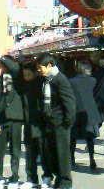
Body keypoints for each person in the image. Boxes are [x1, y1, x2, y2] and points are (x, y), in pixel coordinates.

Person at [37, 54, 76, 189]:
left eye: (40, 68)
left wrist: (67, 123)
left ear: (49, 65)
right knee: (53, 153)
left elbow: (69, 103)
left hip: (61, 124)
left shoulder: (60, 80)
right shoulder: (46, 80)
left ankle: (65, 182)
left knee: (62, 154)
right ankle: (59, 180)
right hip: (50, 123)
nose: (39, 70)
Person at [0, 56, 25, 185]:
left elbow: (15, 67)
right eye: (2, 65)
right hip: (2, 120)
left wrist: (2, 58)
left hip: (15, 119)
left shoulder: (16, 76)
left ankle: (15, 175)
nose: (4, 67)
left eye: (5, 64)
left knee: (15, 150)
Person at [20, 62, 53, 189]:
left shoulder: (42, 83)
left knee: (44, 153)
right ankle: (31, 179)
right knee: (30, 154)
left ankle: (47, 177)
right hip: (28, 124)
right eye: (24, 75)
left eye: (28, 74)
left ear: (35, 73)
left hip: (40, 124)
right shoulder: (23, 85)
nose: (26, 77)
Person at [69, 60, 103, 174]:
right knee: (90, 138)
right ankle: (92, 159)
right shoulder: (92, 80)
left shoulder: (71, 81)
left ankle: (72, 159)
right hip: (90, 112)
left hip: (76, 111)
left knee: (73, 138)